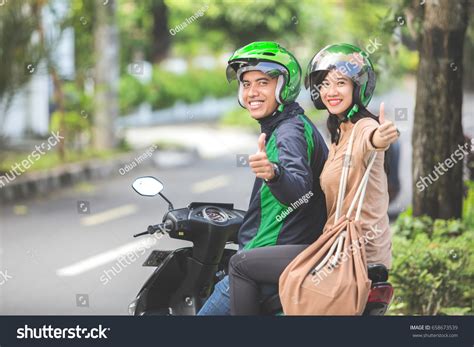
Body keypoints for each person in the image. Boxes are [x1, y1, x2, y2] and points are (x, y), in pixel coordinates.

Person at [228, 43, 399, 315]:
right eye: (325, 84)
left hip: (351, 250)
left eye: (341, 83)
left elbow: (372, 140)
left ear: (358, 87)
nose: (331, 92)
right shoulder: (340, 131)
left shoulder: (364, 127)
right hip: (337, 244)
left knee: (240, 264)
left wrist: (382, 136)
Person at [197, 41, 328, 315]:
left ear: (283, 86)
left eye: (263, 83)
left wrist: (274, 173)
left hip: (274, 258)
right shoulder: (288, 125)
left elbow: (300, 191)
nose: (252, 92)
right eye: (246, 84)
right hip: (286, 250)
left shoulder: (288, 133)